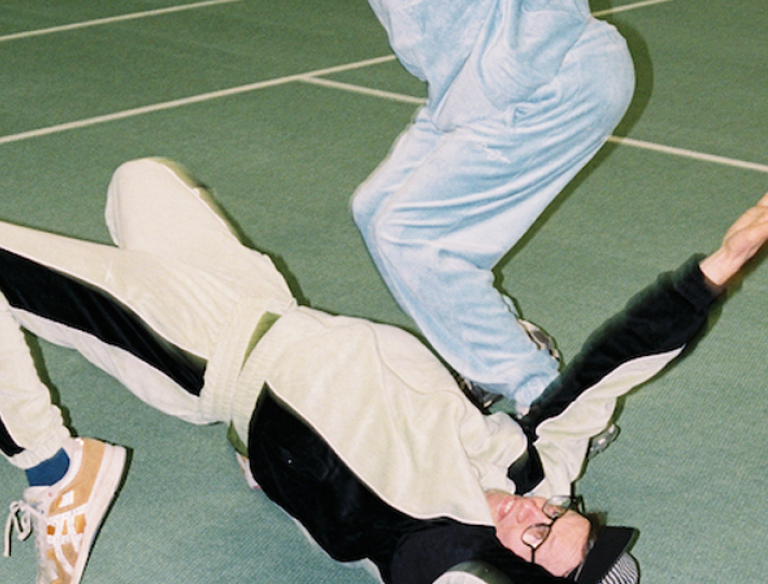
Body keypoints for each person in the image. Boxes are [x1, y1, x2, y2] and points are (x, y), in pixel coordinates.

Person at [2, 157, 768, 584]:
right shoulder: (536, 471)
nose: (531, 518)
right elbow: (610, 368)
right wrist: (713, 273)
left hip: (206, 352)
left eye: (535, 544)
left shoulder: (435, 546)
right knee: (139, 180)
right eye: (558, 521)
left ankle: (52, 464)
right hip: (259, 297)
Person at [256, 0, 768, 413]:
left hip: (557, 80)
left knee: (411, 234)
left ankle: (547, 401)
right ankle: (494, 355)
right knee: (374, 210)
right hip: (479, 89)